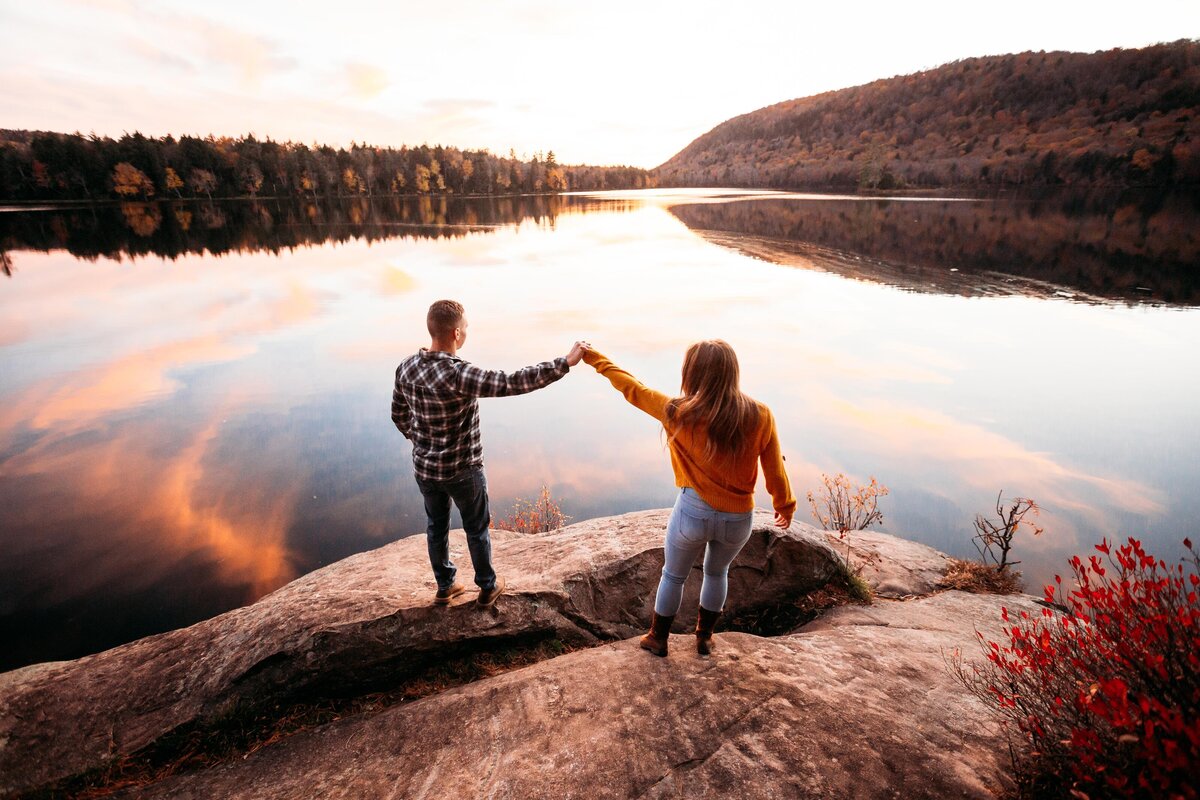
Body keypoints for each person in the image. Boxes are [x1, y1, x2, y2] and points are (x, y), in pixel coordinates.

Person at [580, 340, 795, 656]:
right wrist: (783, 505)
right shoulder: (760, 415)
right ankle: (704, 637)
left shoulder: (676, 411)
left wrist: (593, 357)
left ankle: (657, 638)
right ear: (732, 373)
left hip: (692, 513)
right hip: (738, 519)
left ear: (691, 373)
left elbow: (632, 388)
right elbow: (774, 468)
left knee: (673, 575)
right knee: (717, 573)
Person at [392, 299, 587, 607]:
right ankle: (486, 587)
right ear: (457, 334)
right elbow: (512, 382)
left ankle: (445, 587)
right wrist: (564, 363)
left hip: (426, 470)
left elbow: (399, 415)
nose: (467, 332)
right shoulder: (460, 375)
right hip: (463, 470)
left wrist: (421, 442)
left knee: (436, 527)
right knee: (476, 529)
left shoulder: (406, 367)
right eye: (466, 327)